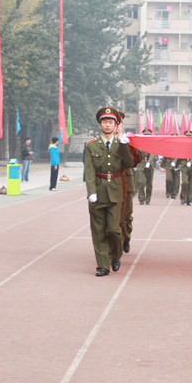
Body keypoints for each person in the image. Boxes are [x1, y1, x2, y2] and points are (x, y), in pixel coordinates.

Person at [84, 107, 134, 276]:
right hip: (98, 190)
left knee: (114, 229)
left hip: (116, 191)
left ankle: (115, 255)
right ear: (100, 125)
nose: (107, 125)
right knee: (98, 231)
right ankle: (102, 266)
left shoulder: (121, 144)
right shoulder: (91, 146)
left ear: (116, 125)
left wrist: (126, 147)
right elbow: (89, 170)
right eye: (104, 122)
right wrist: (91, 191)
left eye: (110, 122)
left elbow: (129, 163)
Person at [117, 111, 139, 254]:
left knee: (126, 216)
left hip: (126, 181)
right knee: (113, 216)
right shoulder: (102, 142)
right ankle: (114, 245)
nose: (116, 126)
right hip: (109, 183)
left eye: (119, 123)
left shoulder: (129, 140)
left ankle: (126, 239)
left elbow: (135, 160)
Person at [136, 128, 155, 205]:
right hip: (141, 164)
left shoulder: (152, 143)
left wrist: (149, 162)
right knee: (141, 181)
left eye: (148, 135)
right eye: (146, 135)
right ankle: (141, 198)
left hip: (149, 165)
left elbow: (153, 153)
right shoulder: (139, 144)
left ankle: (148, 199)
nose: (147, 136)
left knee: (149, 183)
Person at [179, 130, 192, 206]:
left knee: (191, 184)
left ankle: (189, 199)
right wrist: (177, 163)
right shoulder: (182, 145)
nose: (188, 137)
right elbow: (179, 154)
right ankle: (183, 198)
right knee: (185, 182)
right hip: (184, 165)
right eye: (187, 136)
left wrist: (191, 162)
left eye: (190, 136)